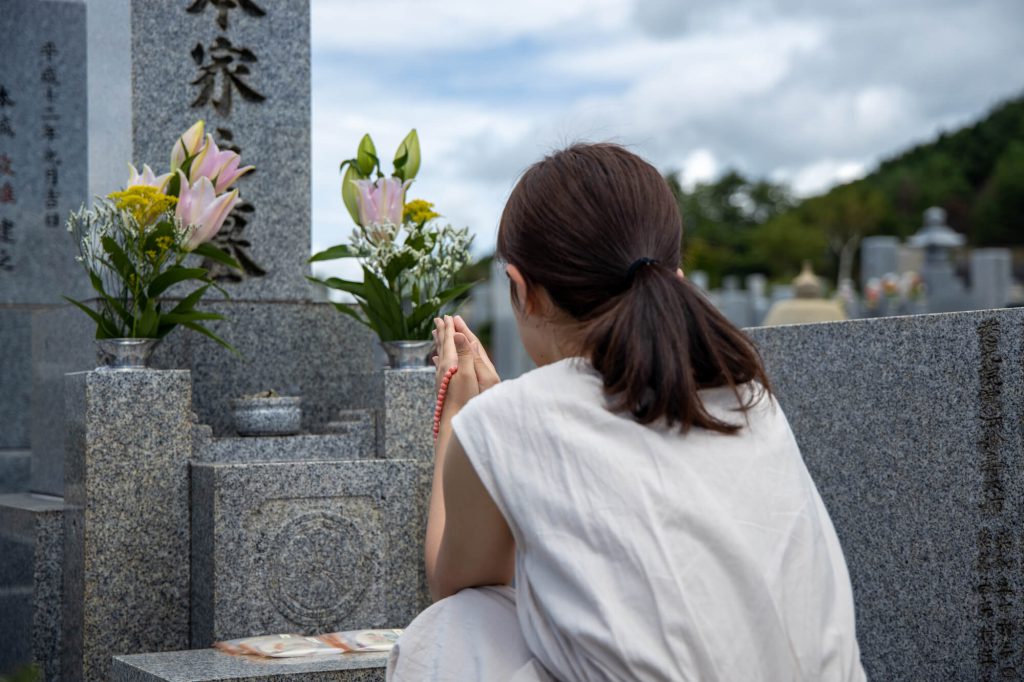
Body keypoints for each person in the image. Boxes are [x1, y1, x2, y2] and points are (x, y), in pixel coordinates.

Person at [387, 143, 866, 681]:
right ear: (675, 279)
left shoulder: (503, 421)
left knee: (457, 624)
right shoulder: (749, 397)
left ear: (524, 291)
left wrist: (458, 417)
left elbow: (456, 580)